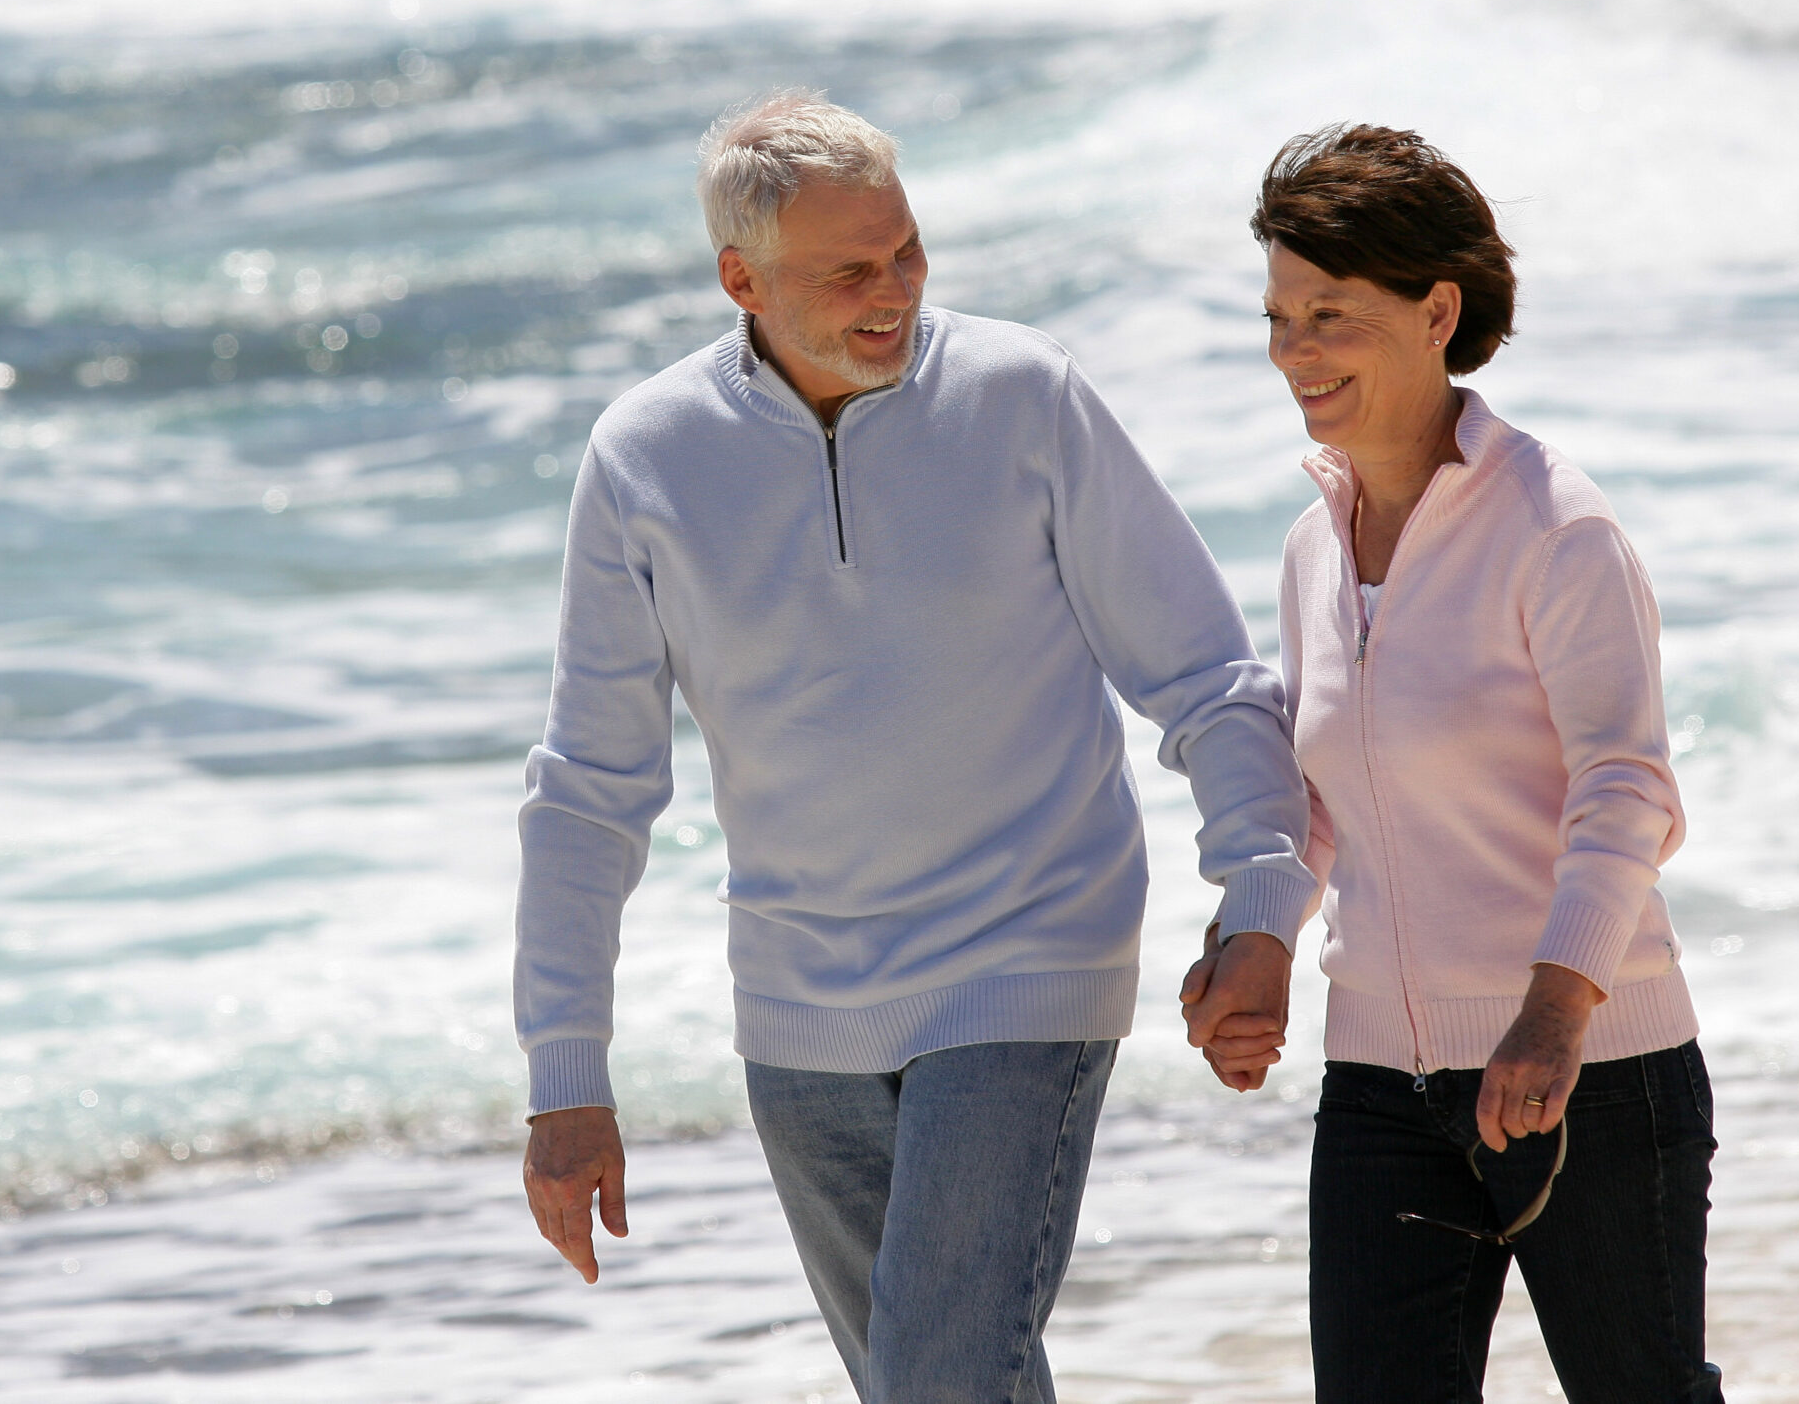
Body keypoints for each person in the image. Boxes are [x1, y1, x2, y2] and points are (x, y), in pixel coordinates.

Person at [514, 90, 1317, 1403]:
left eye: (908, 251)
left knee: (945, 1368)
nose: (896, 291)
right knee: (932, 1380)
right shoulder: (644, 456)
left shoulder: (1023, 397)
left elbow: (1207, 676)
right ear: (742, 277)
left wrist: (1261, 897)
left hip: (1026, 954)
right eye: (850, 271)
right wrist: (565, 1074)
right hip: (799, 1000)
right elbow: (587, 790)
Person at [1192, 124, 1720, 1401]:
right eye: (1277, 316)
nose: (1294, 353)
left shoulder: (1557, 526)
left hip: (1591, 1072)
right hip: (1381, 1081)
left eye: (1330, 314)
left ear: (1438, 311)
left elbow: (1627, 791)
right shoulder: (1312, 545)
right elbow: (1322, 795)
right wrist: (1256, 932)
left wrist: (1555, 1008)